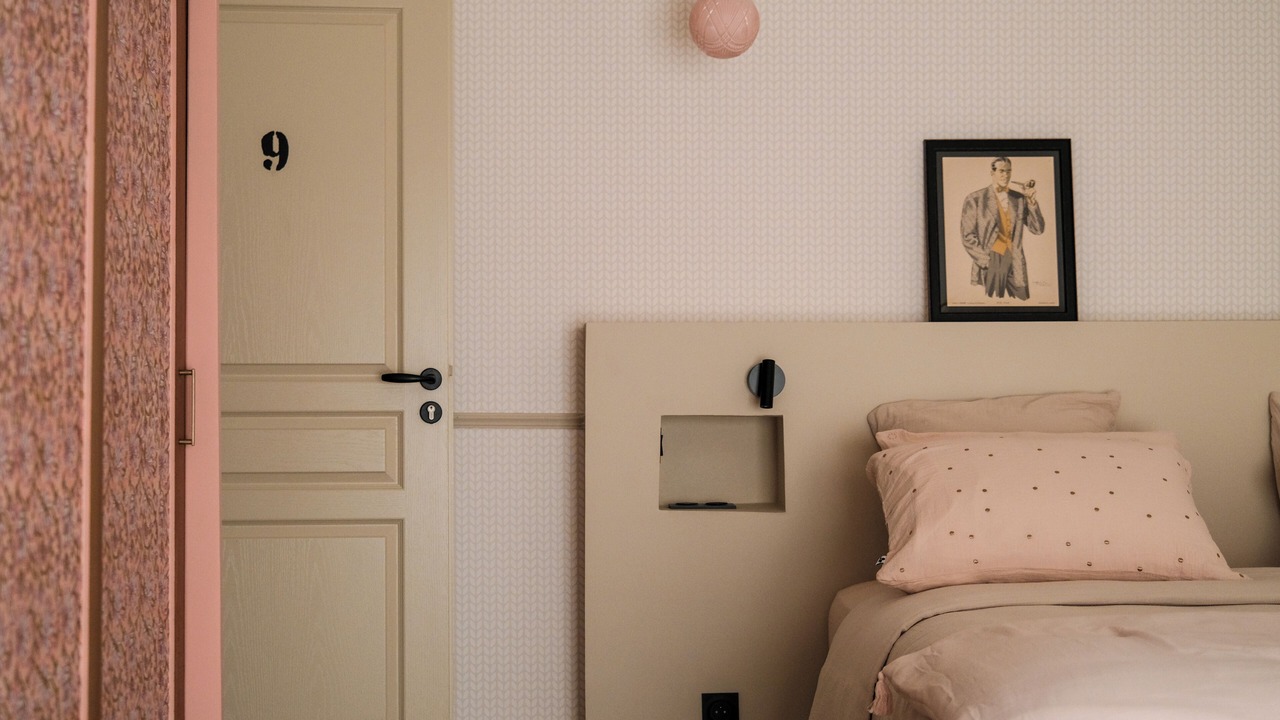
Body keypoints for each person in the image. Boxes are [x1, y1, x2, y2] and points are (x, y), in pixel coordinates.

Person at [959, 157, 1045, 300]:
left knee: (1023, 304)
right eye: (1001, 171)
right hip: (989, 261)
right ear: (992, 173)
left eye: (1008, 171)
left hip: (1015, 263)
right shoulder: (975, 199)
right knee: (989, 304)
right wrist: (986, 261)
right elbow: (967, 236)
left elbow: (1038, 229)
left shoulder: (1019, 199)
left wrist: (1031, 201)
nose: (1005, 175)